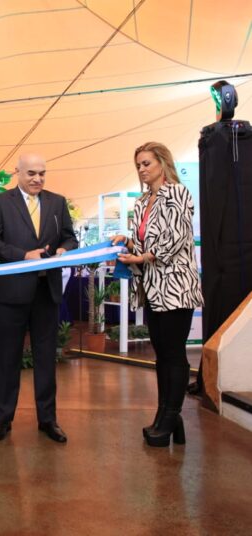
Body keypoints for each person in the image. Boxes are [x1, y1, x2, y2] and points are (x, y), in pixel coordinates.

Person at [112, 142, 203, 447]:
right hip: (152, 288)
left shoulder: (178, 193)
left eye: (147, 163)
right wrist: (127, 242)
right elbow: (143, 244)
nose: (141, 169)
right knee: (161, 354)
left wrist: (142, 257)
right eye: (138, 164)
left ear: (162, 163)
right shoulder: (141, 203)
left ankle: (169, 418)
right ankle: (167, 416)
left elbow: (176, 237)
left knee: (174, 354)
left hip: (176, 286)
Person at [0, 153, 77, 444]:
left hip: (46, 292)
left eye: (42, 173)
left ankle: (48, 420)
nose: (38, 179)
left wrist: (65, 249)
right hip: (12, 292)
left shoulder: (57, 202)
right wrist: (24, 256)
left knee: (46, 358)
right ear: (18, 172)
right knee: (8, 358)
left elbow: (70, 237)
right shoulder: (0, 202)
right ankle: (3, 419)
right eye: (32, 174)